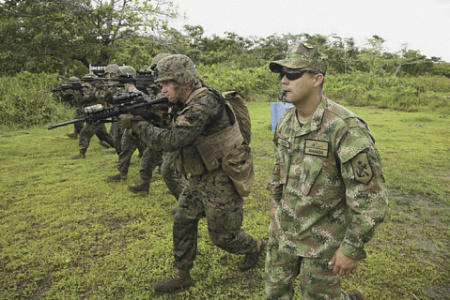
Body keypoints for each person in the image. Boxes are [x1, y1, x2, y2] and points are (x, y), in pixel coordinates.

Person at [119, 54, 265, 293]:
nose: (162, 89)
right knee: (183, 219)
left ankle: (255, 246)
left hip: (222, 177)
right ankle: (182, 274)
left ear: (183, 81)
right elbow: (171, 126)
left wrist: (137, 125)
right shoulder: (182, 102)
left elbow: (173, 140)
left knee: (223, 237)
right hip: (198, 175)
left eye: (166, 84)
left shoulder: (204, 103)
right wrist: (145, 115)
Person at [265, 43, 388, 300]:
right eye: (282, 74)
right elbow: (279, 169)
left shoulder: (345, 128)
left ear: (316, 79)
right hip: (283, 232)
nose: (284, 80)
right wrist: (276, 203)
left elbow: (370, 198)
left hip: (322, 242)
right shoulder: (287, 121)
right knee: (274, 295)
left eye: (294, 74)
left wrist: (351, 248)